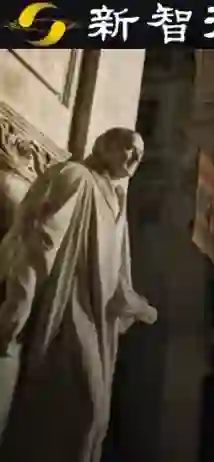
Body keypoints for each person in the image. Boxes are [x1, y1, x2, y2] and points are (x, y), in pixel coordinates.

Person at [0, 127, 158, 462]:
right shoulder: (76, 177)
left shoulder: (117, 202)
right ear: (106, 146)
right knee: (87, 407)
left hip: (92, 314)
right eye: (129, 148)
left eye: (140, 155)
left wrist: (136, 304)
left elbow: (115, 275)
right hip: (65, 307)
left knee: (95, 418)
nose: (135, 158)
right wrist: (17, 307)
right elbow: (41, 243)